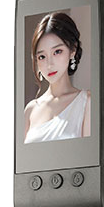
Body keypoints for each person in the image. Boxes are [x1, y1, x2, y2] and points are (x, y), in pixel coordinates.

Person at [24, 12, 91, 143]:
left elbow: (89, 154)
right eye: (42, 56)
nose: (49, 64)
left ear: (72, 50)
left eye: (57, 52)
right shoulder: (30, 110)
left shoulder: (87, 102)